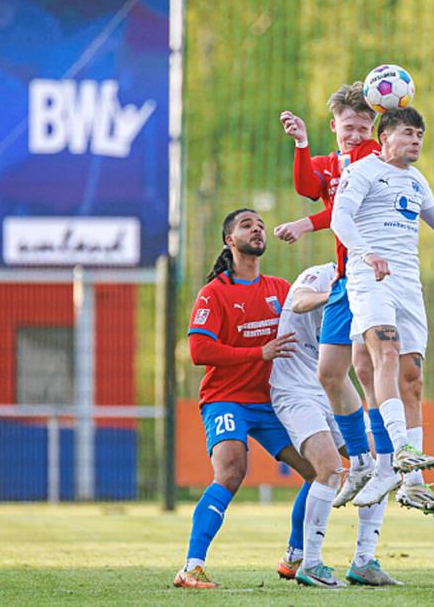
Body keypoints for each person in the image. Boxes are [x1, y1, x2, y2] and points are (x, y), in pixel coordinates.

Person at [277, 84, 434, 516]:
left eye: (362, 127)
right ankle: (363, 460)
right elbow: (309, 185)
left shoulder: (375, 159)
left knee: (377, 367)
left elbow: (338, 209)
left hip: (373, 277)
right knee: (333, 374)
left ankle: (394, 466)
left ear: (374, 127)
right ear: (333, 128)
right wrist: (301, 144)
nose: (355, 136)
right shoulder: (333, 163)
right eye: (347, 128)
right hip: (344, 279)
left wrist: (307, 223)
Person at [331, 107, 434, 507]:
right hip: (372, 278)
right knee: (385, 354)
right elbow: (339, 218)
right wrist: (366, 254)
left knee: (411, 377)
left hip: (408, 286)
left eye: (420, 134)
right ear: (384, 138)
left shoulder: (416, 181)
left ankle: (411, 480)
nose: (416, 140)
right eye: (408, 133)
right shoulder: (362, 171)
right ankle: (399, 450)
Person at [174, 208, 317, 590]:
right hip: (227, 399)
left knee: (319, 471)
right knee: (232, 472)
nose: (257, 229)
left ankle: (294, 557)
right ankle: (191, 566)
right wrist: (259, 354)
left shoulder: (280, 289)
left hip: (273, 401)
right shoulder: (215, 292)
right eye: (246, 225)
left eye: (261, 225)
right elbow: (199, 350)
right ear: (229, 240)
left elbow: (304, 320)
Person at [270, 261, 402, 587]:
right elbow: (298, 300)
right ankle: (310, 563)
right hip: (295, 390)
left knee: (376, 468)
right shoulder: (327, 274)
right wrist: (334, 295)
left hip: (331, 386)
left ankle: (363, 561)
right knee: (329, 469)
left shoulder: (372, 286)